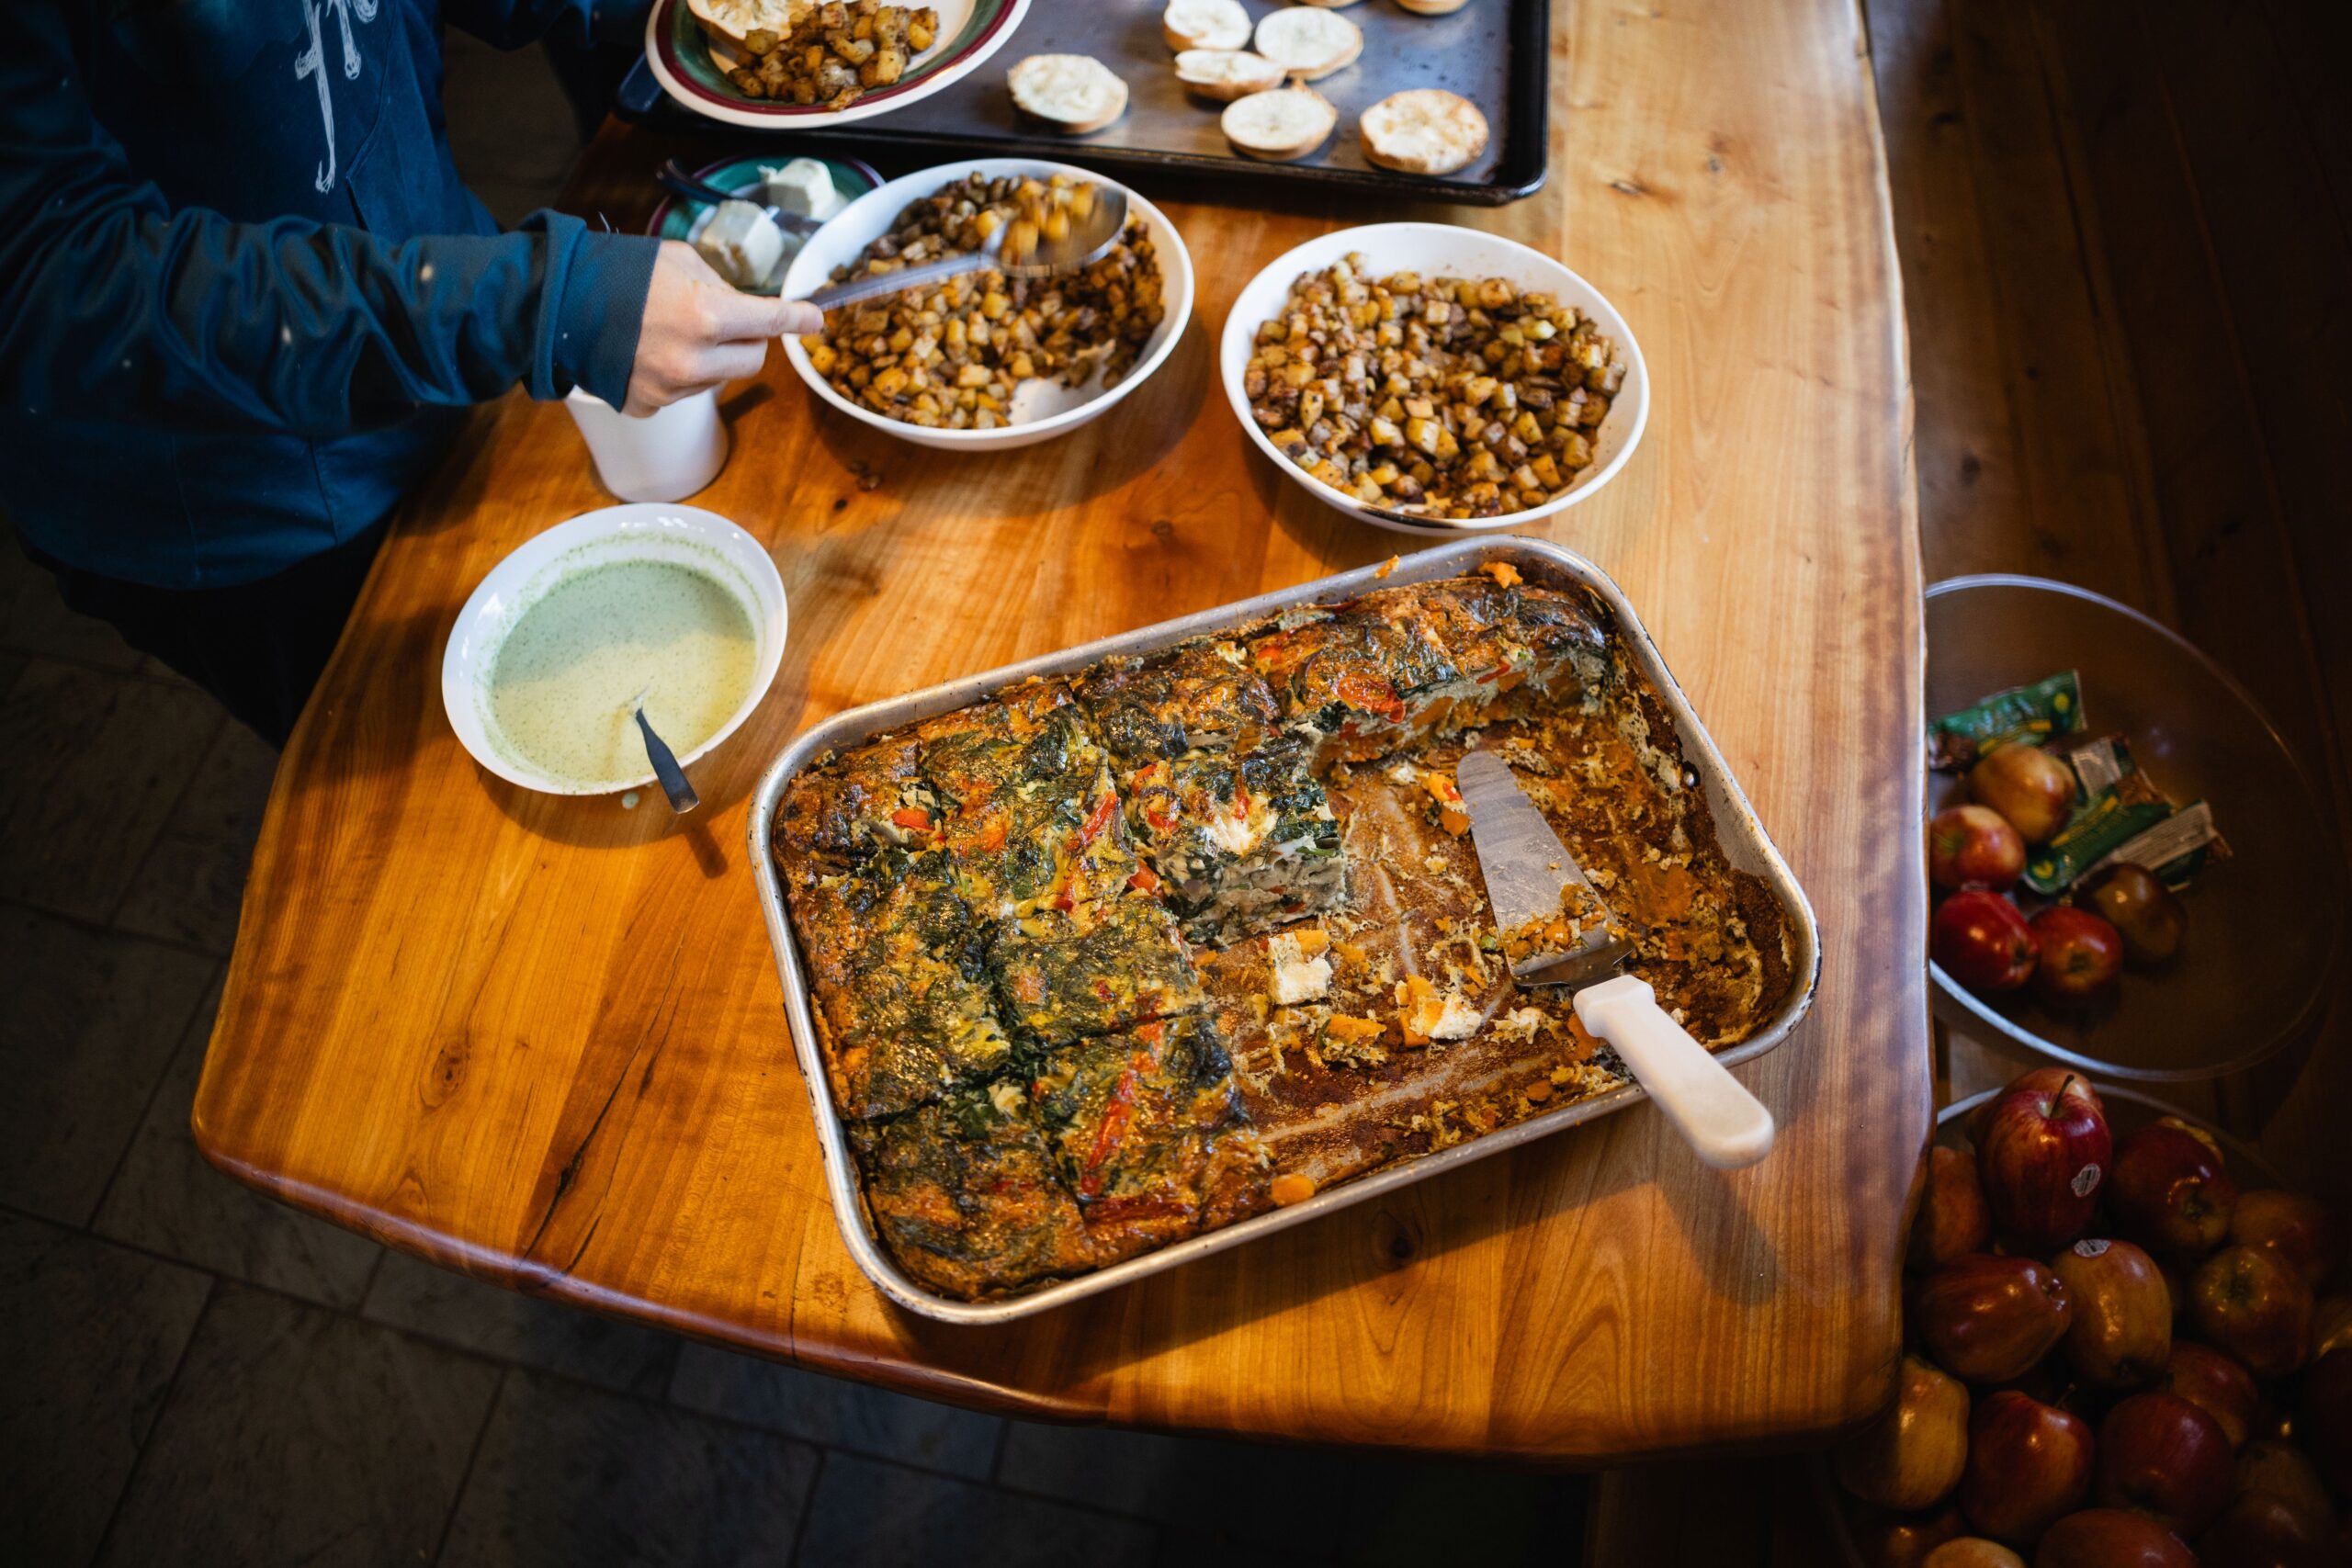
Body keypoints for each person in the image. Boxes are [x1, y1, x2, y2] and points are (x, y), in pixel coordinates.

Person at [0, 0, 820, 743]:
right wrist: (531, 304)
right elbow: (49, 276)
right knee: (451, 760)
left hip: (451, 302)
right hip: (244, 489)